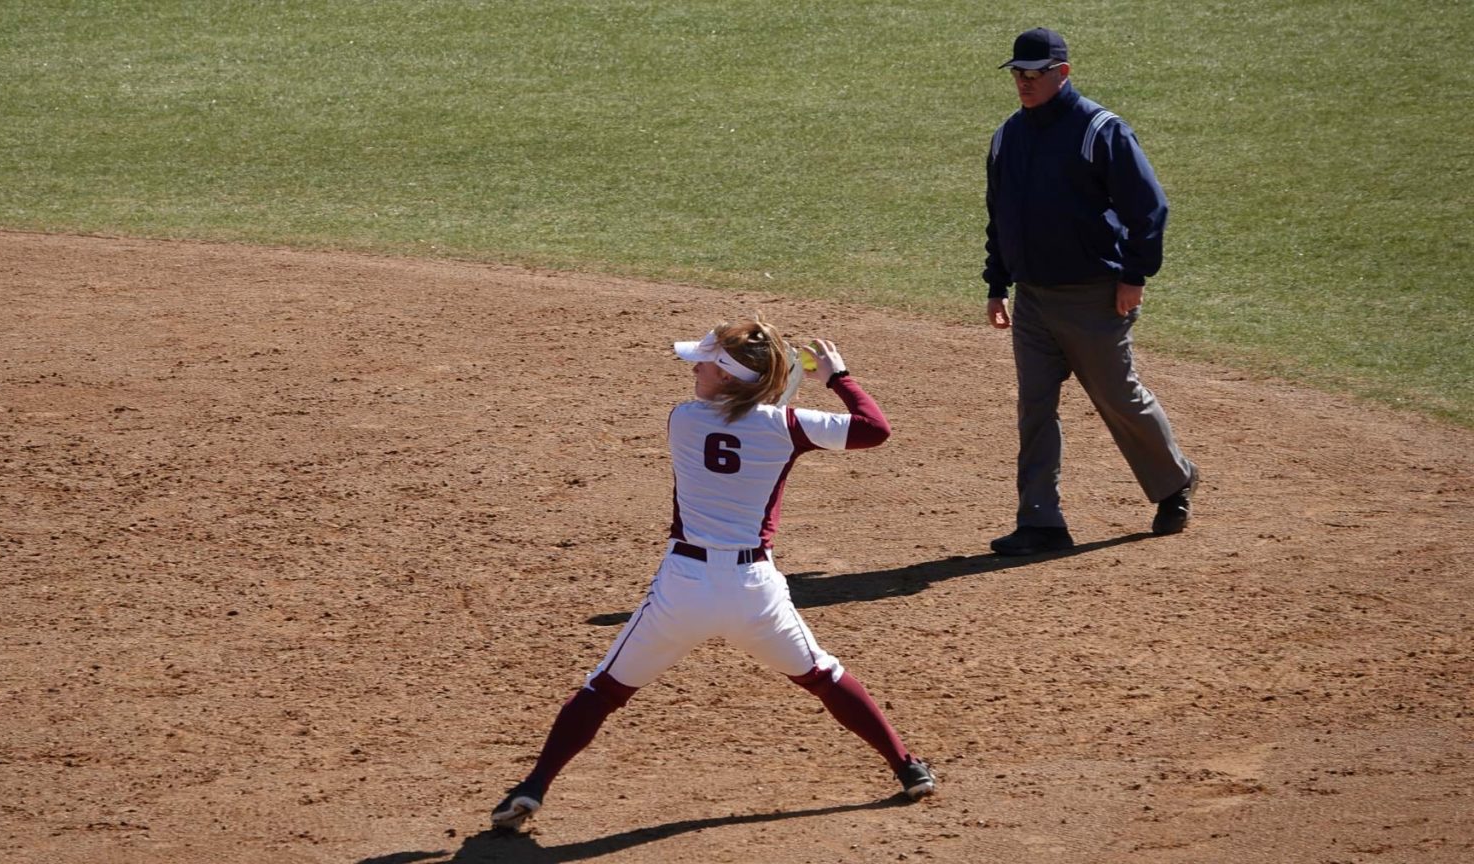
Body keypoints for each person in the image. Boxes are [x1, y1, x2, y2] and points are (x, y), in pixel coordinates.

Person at [490, 316, 935, 830]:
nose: (694, 368)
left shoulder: (682, 419)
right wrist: (837, 377)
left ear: (725, 376)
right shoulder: (788, 426)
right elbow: (874, 429)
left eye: (703, 362)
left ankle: (532, 787)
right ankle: (907, 767)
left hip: (684, 589)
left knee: (604, 690)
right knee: (822, 675)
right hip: (754, 593)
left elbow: (742, 416)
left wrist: (774, 392)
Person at [981, 27, 1200, 556]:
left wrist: (1133, 276)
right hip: (1032, 297)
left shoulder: (1100, 130)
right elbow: (1000, 217)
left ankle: (1175, 482)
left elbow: (1148, 209)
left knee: (1117, 397)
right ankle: (1041, 521)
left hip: (1094, 295)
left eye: (1035, 73)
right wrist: (997, 283)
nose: (1025, 83)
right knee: (1035, 408)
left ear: (1063, 72)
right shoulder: (1008, 136)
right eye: (1018, 73)